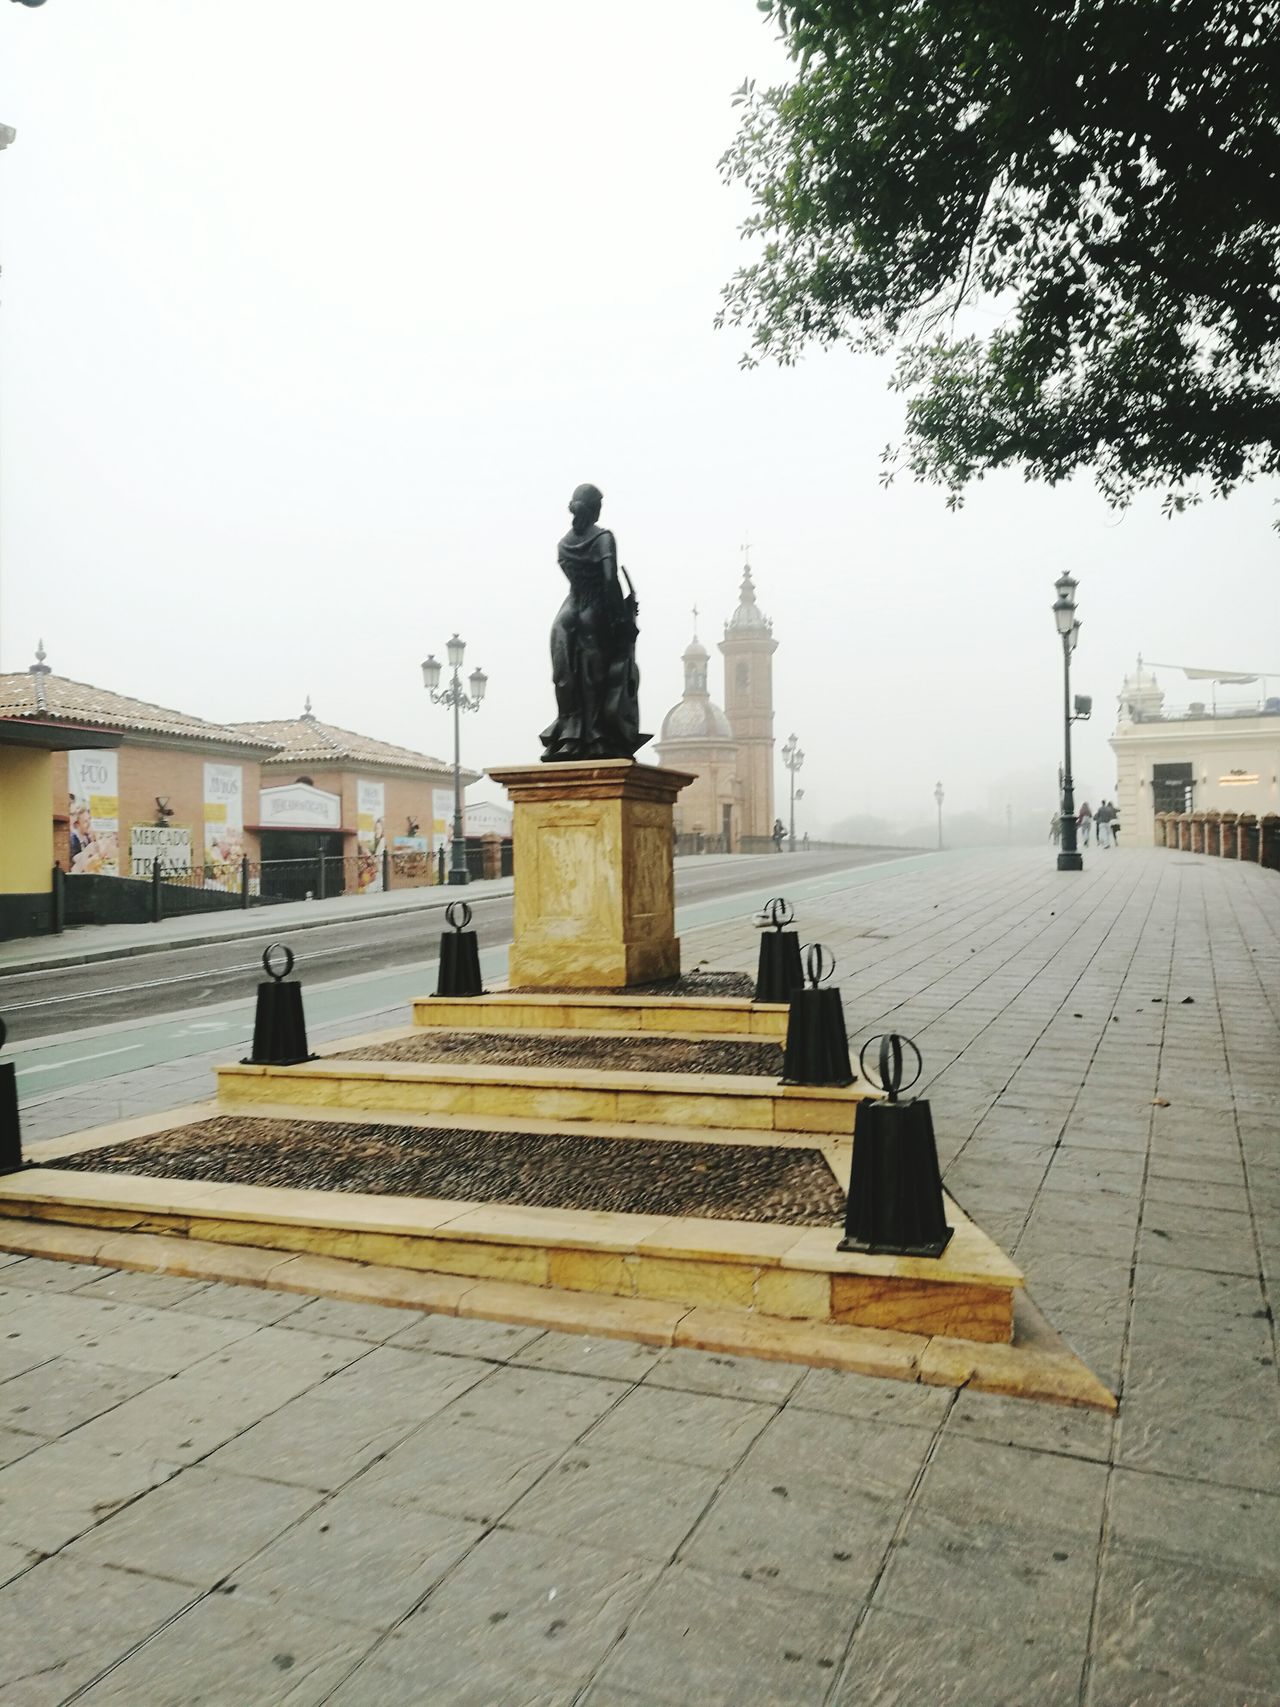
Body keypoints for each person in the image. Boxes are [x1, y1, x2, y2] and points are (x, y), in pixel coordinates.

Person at [540, 484, 645, 761]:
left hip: (567, 612)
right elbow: (609, 580)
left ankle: (569, 736)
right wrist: (622, 619)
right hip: (594, 610)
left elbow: (574, 580)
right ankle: (597, 736)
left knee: (566, 675)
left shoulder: (563, 544)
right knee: (594, 677)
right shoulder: (604, 539)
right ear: (596, 508)